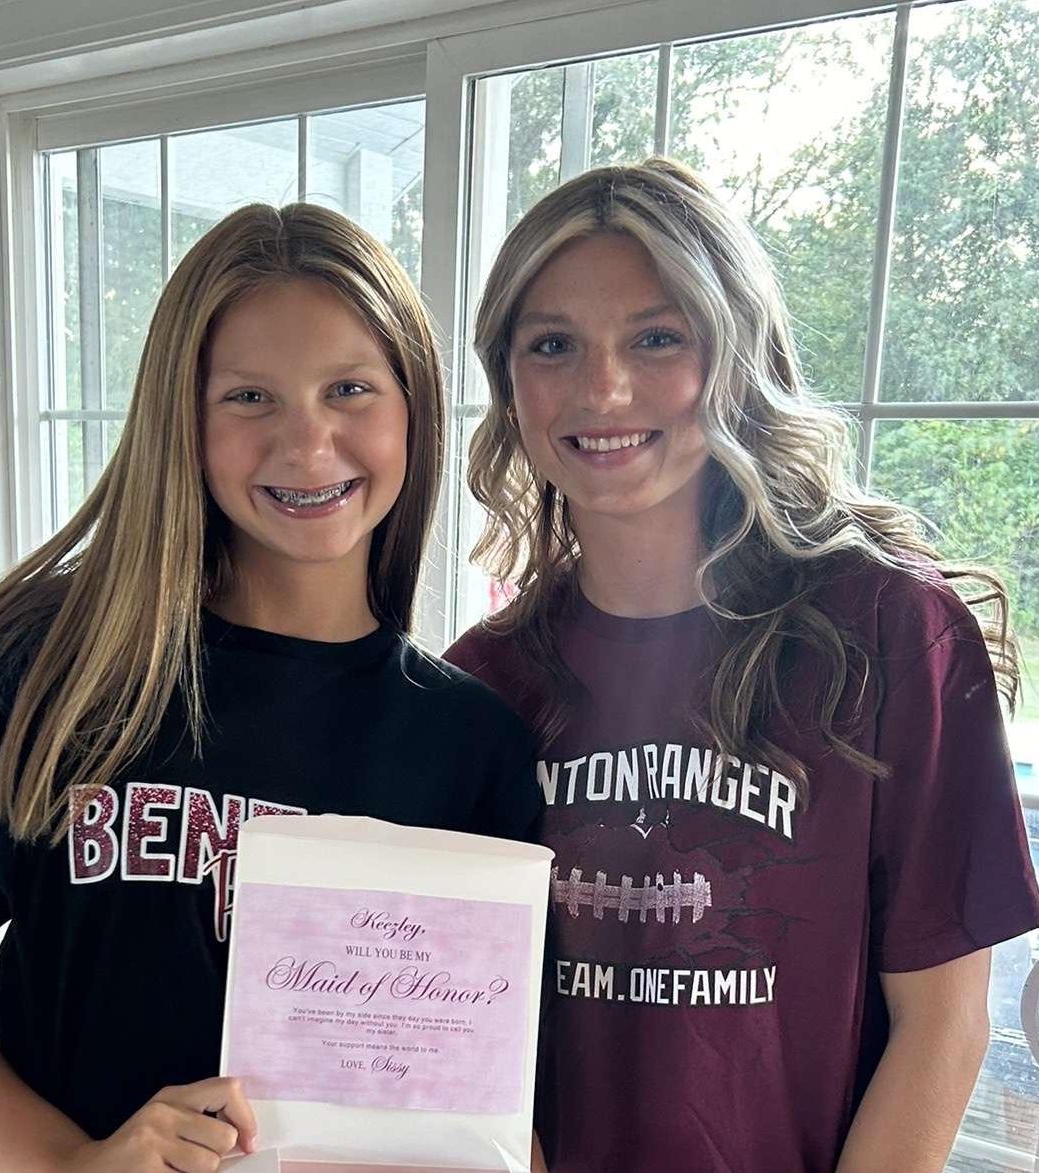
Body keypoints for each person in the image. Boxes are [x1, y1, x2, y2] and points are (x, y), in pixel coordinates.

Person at [0, 202, 541, 1173]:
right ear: (180, 417)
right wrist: (67, 1164)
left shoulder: (472, 742)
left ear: (414, 408)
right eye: (248, 397)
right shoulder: (47, 659)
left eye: (349, 388)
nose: (306, 445)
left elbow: (477, 1099)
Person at [445, 158, 1039, 1173]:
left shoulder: (890, 635)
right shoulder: (479, 687)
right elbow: (460, 1043)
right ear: (509, 382)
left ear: (736, 354)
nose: (602, 388)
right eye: (552, 345)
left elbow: (943, 1023)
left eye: (657, 337)